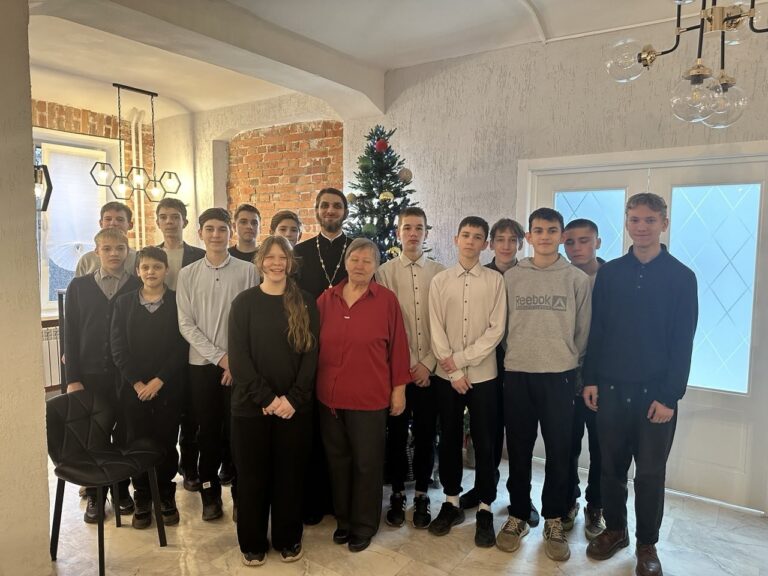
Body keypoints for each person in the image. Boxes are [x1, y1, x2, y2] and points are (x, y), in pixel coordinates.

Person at [584, 193, 697, 576]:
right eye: (634, 219)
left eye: (650, 220)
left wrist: (670, 396)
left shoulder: (681, 277)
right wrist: (591, 380)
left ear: (664, 223)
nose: (642, 227)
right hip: (611, 390)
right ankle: (616, 530)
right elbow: (598, 331)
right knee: (610, 469)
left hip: (656, 396)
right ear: (627, 223)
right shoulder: (611, 273)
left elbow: (683, 342)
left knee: (649, 474)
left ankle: (647, 544)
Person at [497, 207, 591, 562]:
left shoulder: (576, 279)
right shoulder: (512, 278)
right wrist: (519, 354)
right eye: (538, 230)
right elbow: (502, 327)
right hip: (518, 374)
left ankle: (553, 518)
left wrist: (566, 360)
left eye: (552, 230)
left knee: (558, 452)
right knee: (519, 450)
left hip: (559, 376)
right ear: (529, 236)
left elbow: (583, 331)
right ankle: (519, 515)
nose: (545, 236)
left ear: (561, 236)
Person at [228, 236, 320, 567]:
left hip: (294, 409)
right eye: (270, 257)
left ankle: (287, 538)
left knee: (289, 477)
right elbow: (239, 358)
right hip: (251, 408)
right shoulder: (244, 303)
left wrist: (292, 399)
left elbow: (312, 356)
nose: (277, 263)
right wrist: (266, 398)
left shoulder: (306, 302)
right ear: (260, 262)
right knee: (252, 478)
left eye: (283, 257)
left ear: (291, 263)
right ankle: (252, 542)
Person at [316, 238, 411, 553]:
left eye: (367, 261)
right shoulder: (326, 299)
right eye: (355, 259)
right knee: (338, 462)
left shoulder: (386, 301)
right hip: (330, 398)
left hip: (370, 398)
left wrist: (399, 390)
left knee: (367, 465)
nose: (360, 265)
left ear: (376, 266)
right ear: (346, 262)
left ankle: (364, 524)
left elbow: (399, 348)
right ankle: (344, 520)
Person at [427, 216, 506, 548]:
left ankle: (485, 507)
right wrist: (453, 371)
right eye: (466, 235)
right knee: (448, 439)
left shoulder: (495, 281)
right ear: (456, 239)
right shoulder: (440, 281)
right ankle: (451, 502)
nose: (471, 241)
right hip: (446, 377)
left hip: (484, 375)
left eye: (477, 237)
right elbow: (435, 327)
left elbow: (496, 330)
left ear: (485, 244)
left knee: (486, 442)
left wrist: (460, 362)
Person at [176, 208, 258, 521]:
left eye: (222, 229)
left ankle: (239, 494)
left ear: (230, 232)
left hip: (239, 365)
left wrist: (234, 361)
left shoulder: (248, 271)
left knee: (238, 433)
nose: (215, 235)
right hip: (201, 365)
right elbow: (186, 324)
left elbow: (250, 321)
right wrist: (220, 358)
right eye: (209, 229)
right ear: (200, 233)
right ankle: (210, 495)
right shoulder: (187, 274)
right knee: (207, 432)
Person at [460, 218, 541, 528]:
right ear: (490, 244)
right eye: (500, 239)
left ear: (521, 243)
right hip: (486, 365)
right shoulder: (480, 276)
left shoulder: (529, 275)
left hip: (521, 366)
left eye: (512, 240)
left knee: (520, 437)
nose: (506, 245)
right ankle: (484, 488)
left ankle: (522, 497)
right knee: (487, 433)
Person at [64, 227, 142, 523]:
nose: (113, 254)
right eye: (107, 248)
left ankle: (121, 490)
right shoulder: (79, 287)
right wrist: (72, 378)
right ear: (96, 252)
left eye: (119, 248)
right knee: (94, 435)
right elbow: (70, 333)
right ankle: (97, 495)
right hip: (90, 374)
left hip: (125, 376)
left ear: (127, 251)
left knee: (123, 433)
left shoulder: (137, 284)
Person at [376, 207, 445, 529]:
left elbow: (444, 323)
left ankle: (421, 494)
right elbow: (384, 327)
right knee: (395, 435)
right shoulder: (384, 273)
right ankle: (397, 493)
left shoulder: (440, 273)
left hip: (430, 370)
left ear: (426, 233)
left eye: (419, 228)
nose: (413, 233)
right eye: (407, 228)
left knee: (426, 435)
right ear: (398, 233)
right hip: (398, 373)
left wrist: (428, 363)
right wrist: (404, 368)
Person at [111, 246, 188, 529]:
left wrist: (159, 380)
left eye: (157, 267)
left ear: (166, 270)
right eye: (145, 267)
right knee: (137, 442)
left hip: (168, 387)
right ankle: (142, 495)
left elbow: (182, 345)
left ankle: (166, 494)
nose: (151, 272)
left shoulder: (179, 301)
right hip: (134, 390)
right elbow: (117, 347)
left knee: (166, 441)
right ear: (137, 271)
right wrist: (137, 382)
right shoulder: (123, 303)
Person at [293, 188, 353, 524]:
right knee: (312, 430)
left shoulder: (356, 251)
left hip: (347, 351)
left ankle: (341, 501)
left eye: (337, 206)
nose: (331, 210)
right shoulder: (300, 253)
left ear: (345, 211)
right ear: (316, 211)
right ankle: (313, 501)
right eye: (325, 205)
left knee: (340, 431)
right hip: (307, 348)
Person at [154, 197, 206, 493]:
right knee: (165, 410)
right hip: (161, 340)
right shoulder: (148, 256)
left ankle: (190, 467)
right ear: (158, 222)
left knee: (191, 411)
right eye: (164, 216)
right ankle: (162, 469)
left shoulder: (199, 255)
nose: (170, 221)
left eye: (175, 216)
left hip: (193, 339)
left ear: (185, 221)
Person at [562, 218, 606, 540]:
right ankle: (569, 500)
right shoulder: (560, 277)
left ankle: (596, 505)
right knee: (566, 444)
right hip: (566, 375)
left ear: (597, 243)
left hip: (603, 378)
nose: (577, 248)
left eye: (584, 241)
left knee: (602, 446)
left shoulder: (612, 277)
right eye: (570, 242)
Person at [75, 201, 137, 276]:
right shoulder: (87, 260)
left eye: (120, 219)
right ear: (101, 223)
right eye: (108, 219)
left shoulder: (137, 259)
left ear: (130, 225)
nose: (113, 223)